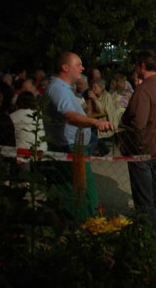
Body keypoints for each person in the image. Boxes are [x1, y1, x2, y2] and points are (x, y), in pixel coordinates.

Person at [43, 52, 114, 221]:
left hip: (72, 147)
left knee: (77, 190)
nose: (82, 68)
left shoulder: (63, 89)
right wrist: (95, 122)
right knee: (81, 192)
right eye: (78, 64)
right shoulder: (58, 89)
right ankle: (85, 225)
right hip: (68, 148)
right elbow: (68, 115)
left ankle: (78, 223)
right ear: (65, 67)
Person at [120, 50, 156, 238]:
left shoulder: (143, 90)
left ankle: (150, 240)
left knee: (144, 200)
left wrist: (134, 147)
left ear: (142, 65)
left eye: (136, 65)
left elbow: (138, 125)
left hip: (142, 152)